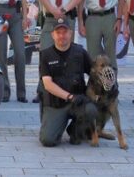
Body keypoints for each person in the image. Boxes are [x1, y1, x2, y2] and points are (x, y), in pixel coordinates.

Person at [32, 0, 87, 103]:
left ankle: (64, 90)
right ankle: (42, 91)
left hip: (67, 19)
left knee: (66, 55)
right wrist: (53, 10)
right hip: (50, 19)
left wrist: (63, 9)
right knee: (45, 53)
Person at [38, 18, 93, 147]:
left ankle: (75, 131)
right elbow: (48, 84)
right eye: (58, 33)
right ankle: (57, 125)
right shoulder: (46, 55)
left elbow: (94, 74)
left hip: (78, 102)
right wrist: (69, 97)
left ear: (71, 34)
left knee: (91, 109)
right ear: (53, 35)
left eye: (65, 32)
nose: (62, 36)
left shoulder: (80, 52)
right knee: (48, 140)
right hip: (56, 104)